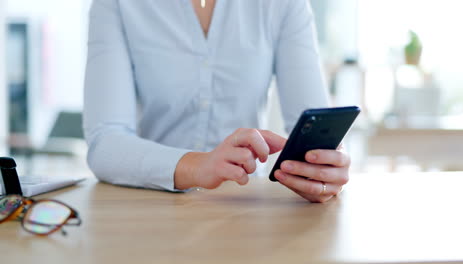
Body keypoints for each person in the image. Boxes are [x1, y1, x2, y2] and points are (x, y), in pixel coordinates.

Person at [84, 0, 350, 203]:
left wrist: (324, 167)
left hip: (243, 207)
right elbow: (105, 141)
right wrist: (196, 165)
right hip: (149, 204)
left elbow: (317, 126)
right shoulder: (117, 4)